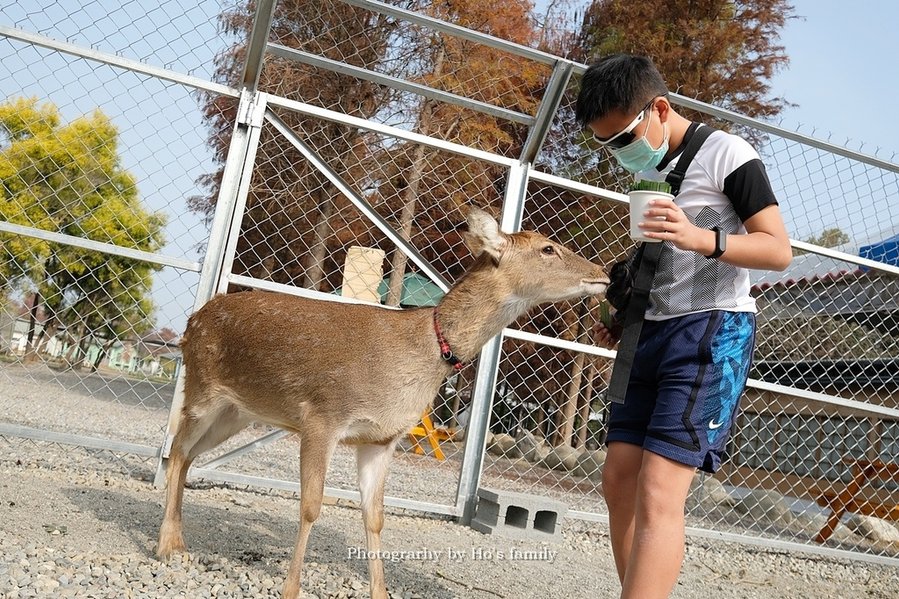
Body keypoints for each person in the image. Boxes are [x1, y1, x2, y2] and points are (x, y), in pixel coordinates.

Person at [575, 54, 792, 599]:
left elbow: (778, 249)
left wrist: (702, 238)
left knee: (658, 491)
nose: (621, 154)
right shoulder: (649, 170)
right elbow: (661, 258)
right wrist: (624, 304)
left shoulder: (727, 154)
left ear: (660, 108)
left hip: (710, 333)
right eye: (608, 146)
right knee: (618, 482)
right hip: (647, 334)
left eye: (623, 138)